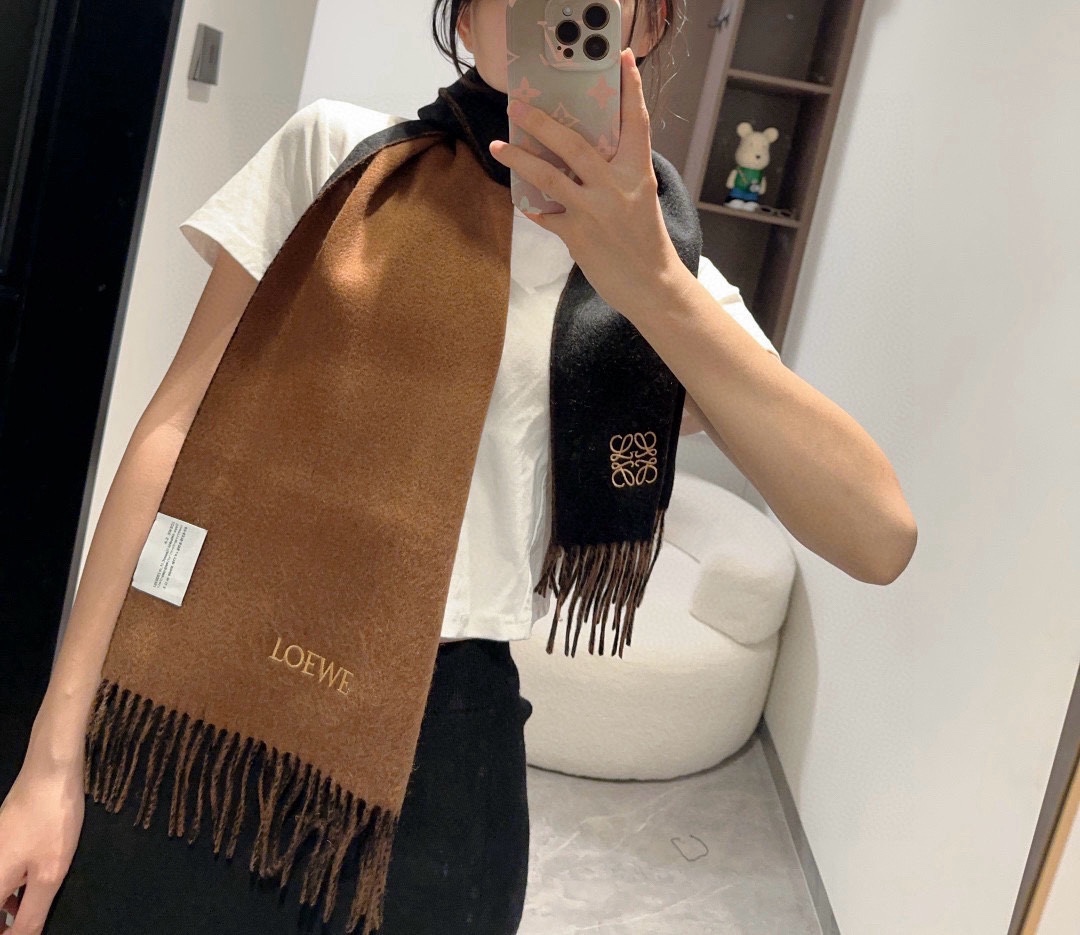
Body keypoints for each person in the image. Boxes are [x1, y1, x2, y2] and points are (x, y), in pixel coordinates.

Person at [1, 0, 917, 933]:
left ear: (644, 32)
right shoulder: (334, 157)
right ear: (469, 21)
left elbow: (877, 534)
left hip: (441, 764)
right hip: (196, 696)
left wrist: (652, 285)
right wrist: (49, 755)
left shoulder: (663, 278)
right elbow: (172, 430)